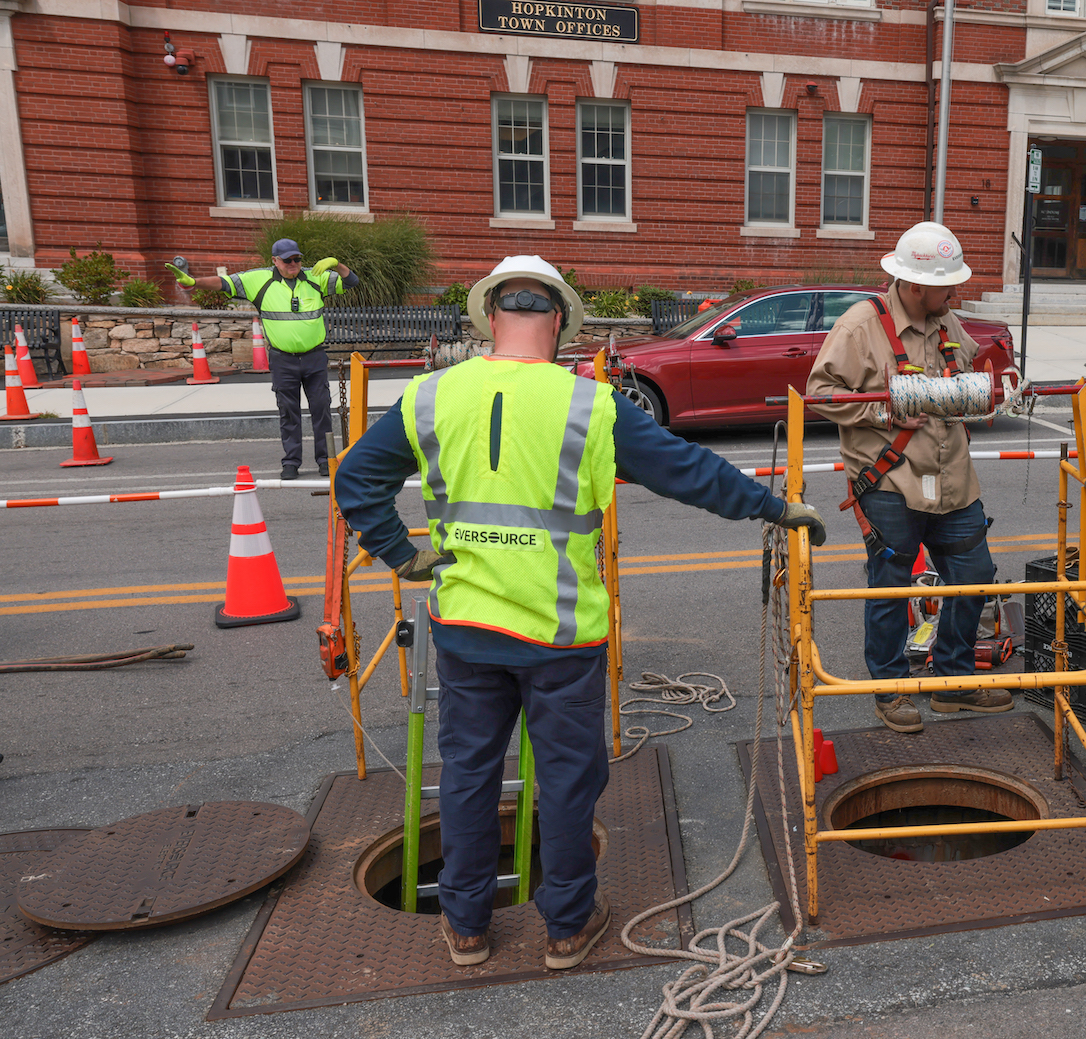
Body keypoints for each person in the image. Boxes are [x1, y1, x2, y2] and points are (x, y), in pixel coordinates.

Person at [335, 256, 826, 969]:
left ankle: (466, 925)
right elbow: (688, 472)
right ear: (559, 321)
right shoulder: (590, 405)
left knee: (469, 773)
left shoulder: (430, 395)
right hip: (561, 634)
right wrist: (775, 506)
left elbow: (356, 478)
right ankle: (566, 926)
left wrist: (399, 554)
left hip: (466, 626)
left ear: (489, 319)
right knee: (566, 777)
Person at [805, 222, 1010, 734]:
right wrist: (885, 413)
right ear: (916, 285)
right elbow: (822, 392)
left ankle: (954, 681)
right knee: (891, 589)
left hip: (953, 479)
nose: (954, 293)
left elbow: (964, 373)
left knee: (975, 577)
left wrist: (981, 388)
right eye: (947, 285)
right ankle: (891, 689)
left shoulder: (948, 324)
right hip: (893, 482)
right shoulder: (859, 327)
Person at [168, 239, 354, 480]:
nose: (293, 264)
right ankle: (291, 462)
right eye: (287, 260)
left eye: (297, 259)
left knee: (321, 409)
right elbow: (225, 283)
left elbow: (351, 281)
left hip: (314, 357)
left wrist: (337, 264)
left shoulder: (315, 277)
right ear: (275, 261)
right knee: (288, 411)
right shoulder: (259, 279)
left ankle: (325, 460)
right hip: (282, 360)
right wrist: (194, 282)